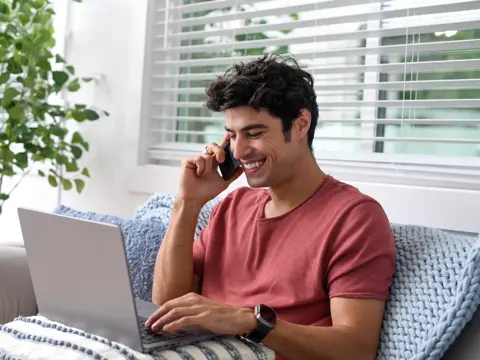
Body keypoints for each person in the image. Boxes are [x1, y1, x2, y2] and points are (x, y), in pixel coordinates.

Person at [145, 54, 396, 360]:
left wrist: (250, 322)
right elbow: (168, 305)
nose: (239, 150)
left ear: (301, 124)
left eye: (255, 133)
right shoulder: (232, 206)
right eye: (233, 135)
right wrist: (188, 203)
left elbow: (356, 349)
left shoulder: (354, 217)